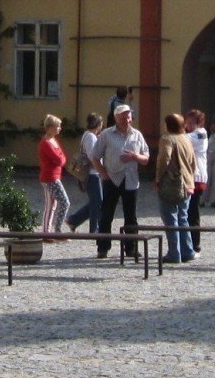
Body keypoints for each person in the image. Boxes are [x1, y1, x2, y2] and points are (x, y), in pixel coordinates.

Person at [94, 104, 152, 259]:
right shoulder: (107, 134)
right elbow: (94, 156)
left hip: (131, 180)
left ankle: (131, 248)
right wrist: (103, 173)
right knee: (107, 214)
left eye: (128, 116)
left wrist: (135, 156)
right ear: (116, 118)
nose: (127, 120)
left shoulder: (137, 135)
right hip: (111, 178)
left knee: (131, 216)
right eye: (123, 117)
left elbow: (146, 158)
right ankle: (103, 247)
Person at [154, 112, 198, 263]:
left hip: (172, 183)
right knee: (183, 217)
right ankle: (187, 251)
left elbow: (164, 159)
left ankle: (174, 253)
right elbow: (193, 162)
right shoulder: (186, 139)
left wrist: (158, 178)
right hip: (187, 183)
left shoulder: (167, 139)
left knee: (170, 217)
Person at [69, 113, 105, 230]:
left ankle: (74, 220)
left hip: (93, 173)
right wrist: (101, 167)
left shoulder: (90, 135)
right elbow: (92, 155)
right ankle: (94, 228)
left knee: (96, 202)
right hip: (92, 173)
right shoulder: (90, 137)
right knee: (98, 202)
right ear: (98, 125)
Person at [37, 115, 71, 237]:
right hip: (49, 177)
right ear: (50, 128)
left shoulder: (53, 140)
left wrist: (61, 159)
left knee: (52, 204)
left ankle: (48, 231)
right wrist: (61, 159)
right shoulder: (46, 143)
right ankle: (54, 230)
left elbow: (62, 157)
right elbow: (59, 159)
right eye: (58, 126)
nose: (60, 129)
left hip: (54, 176)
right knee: (64, 202)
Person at [184, 109, 210, 254]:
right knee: (187, 212)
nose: (188, 125)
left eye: (191, 122)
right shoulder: (191, 134)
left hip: (196, 177)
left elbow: (183, 139)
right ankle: (190, 242)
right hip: (189, 176)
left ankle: (195, 243)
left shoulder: (200, 134)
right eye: (186, 122)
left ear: (199, 122)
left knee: (193, 212)